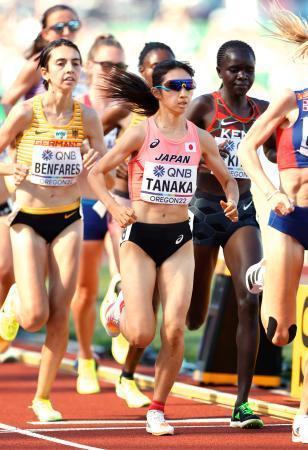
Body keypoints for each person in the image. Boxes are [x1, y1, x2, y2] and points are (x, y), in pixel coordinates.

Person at [88, 59, 239, 435]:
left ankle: (157, 408)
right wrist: (114, 206)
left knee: (173, 330)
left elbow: (227, 178)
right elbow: (95, 173)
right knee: (139, 334)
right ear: (157, 93)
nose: (185, 93)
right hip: (140, 239)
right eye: (175, 86)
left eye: (189, 85)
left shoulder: (199, 137)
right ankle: (119, 305)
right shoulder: (141, 133)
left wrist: (232, 199)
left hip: (178, 240)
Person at [0, 38, 107, 422]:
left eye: (75, 63)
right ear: (44, 72)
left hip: (68, 219)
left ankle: (42, 398)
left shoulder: (87, 118)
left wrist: (94, 161)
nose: (69, 69)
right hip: (28, 218)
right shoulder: (26, 113)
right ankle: (14, 303)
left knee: (60, 312)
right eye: (60, 63)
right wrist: (10, 169)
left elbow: (100, 170)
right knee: (33, 317)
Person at [186, 40, 276, 429]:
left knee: (248, 297)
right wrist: (208, 150)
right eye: (235, 70)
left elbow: (276, 153)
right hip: (205, 209)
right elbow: (176, 145)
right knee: (193, 316)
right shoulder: (205, 106)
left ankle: (242, 404)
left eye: (248, 70)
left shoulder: (263, 111)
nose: (242, 76)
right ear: (220, 72)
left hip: (242, 212)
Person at [238, 3, 308, 443]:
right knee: (279, 333)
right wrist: (271, 193)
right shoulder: (292, 98)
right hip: (291, 216)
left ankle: (305, 411)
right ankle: (263, 271)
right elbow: (247, 149)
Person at [103, 41, 177, 409]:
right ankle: (120, 296)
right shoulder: (125, 110)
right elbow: (87, 140)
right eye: (152, 66)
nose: (158, 72)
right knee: (140, 294)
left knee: (157, 302)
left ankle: (128, 374)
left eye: (165, 66)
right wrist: (111, 157)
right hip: (124, 206)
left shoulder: (180, 111)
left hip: (165, 213)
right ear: (142, 70)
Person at [71, 34, 128, 395]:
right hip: (84, 203)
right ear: (89, 67)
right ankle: (87, 358)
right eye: (106, 64)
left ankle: (120, 315)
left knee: (128, 276)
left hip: (118, 202)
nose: (112, 71)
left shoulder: (131, 107)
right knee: (85, 288)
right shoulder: (78, 107)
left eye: (119, 66)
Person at [1, 4, 81, 107]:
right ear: (45, 34)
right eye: (58, 27)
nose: (66, 32)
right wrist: (21, 121)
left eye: (72, 25)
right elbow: (6, 104)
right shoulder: (37, 64)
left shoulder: (79, 62)